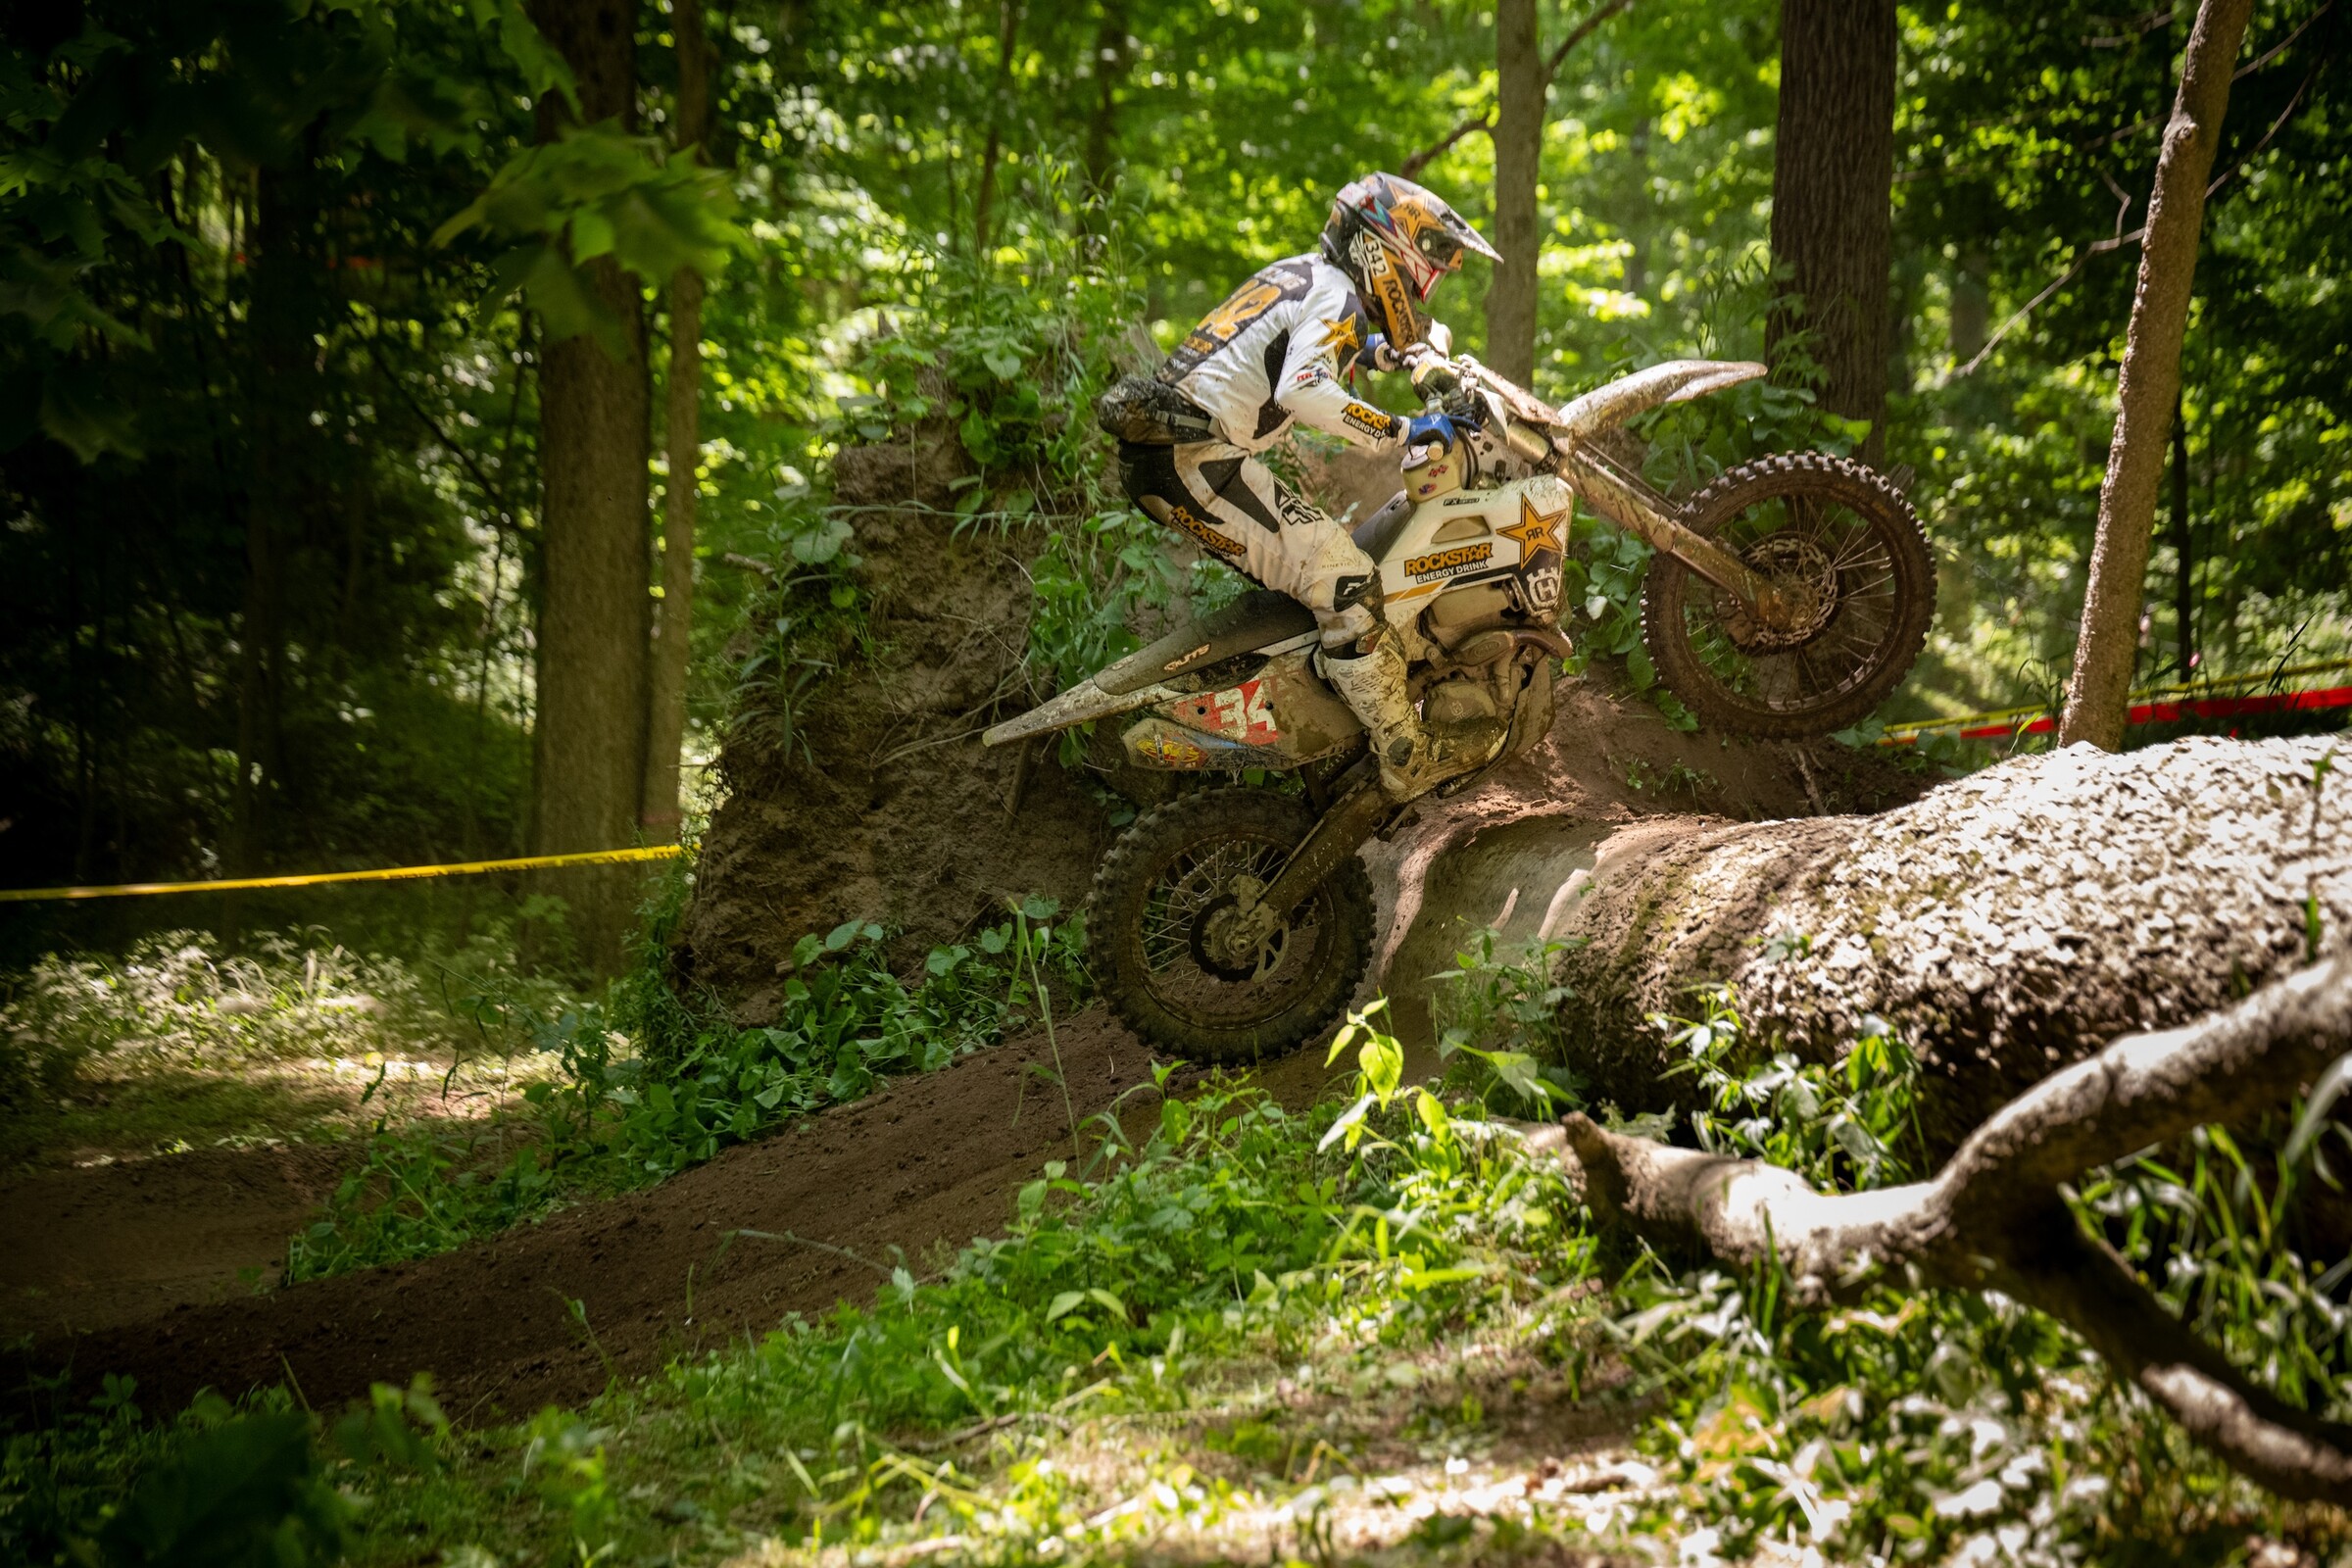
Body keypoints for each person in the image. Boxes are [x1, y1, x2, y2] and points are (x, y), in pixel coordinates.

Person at [1101, 172, 1502, 798]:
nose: (1428, 282)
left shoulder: (1306, 273)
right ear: (1383, 248)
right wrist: (1403, 430)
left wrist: (1382, 356)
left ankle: (1324, 710)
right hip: (1193, 460)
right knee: (1344, 579)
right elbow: (1302, 388)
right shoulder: (1337, 294)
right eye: (1425, 263)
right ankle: (1405, 754)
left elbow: (1293, 345)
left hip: (1179, 450)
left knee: (1318, 570)